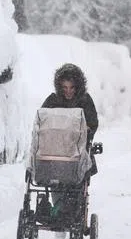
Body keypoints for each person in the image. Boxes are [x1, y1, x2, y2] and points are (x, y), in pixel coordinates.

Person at [38, 63, 99, 229]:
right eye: (64, 87)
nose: (68, 91)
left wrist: (87, 130)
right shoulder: (52, 100)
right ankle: (57, 214)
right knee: (55, 182)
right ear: (59, 86)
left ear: (78, 86)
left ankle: (71, 215)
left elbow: (93, 123)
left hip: (78, 152)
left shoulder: (85, 101)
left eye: (72, 87)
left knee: (77, 184)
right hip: (55, 151)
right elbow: (42, 121)